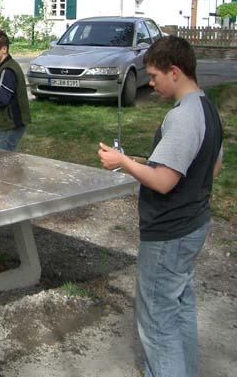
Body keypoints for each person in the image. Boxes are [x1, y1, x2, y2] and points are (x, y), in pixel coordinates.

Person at [98, 36, 223, 377]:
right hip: (194, 223)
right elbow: (213, 166)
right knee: (180, 309)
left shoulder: (183, 117)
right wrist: (154, 165)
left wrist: (123, 161)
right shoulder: (207, 108)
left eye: (154, 76)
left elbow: (164, 181)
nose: (150, 83)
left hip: (169, 232)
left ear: (175, 72)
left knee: (157, 322)